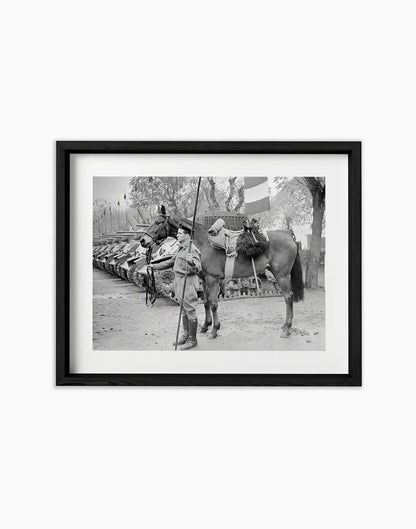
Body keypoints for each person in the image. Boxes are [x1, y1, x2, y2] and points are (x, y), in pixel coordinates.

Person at [151, 224, 201, 350]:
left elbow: (198, 268)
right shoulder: (181, 248)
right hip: (179, 280)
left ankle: (192, 340)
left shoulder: (192, 249)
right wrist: (154, 266)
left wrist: (191, 262)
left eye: (179, 233)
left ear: (187, 235)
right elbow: (171, 262)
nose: (177, 235)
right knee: (183, 309)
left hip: (188, 281)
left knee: (190, 309)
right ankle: (185, 335)